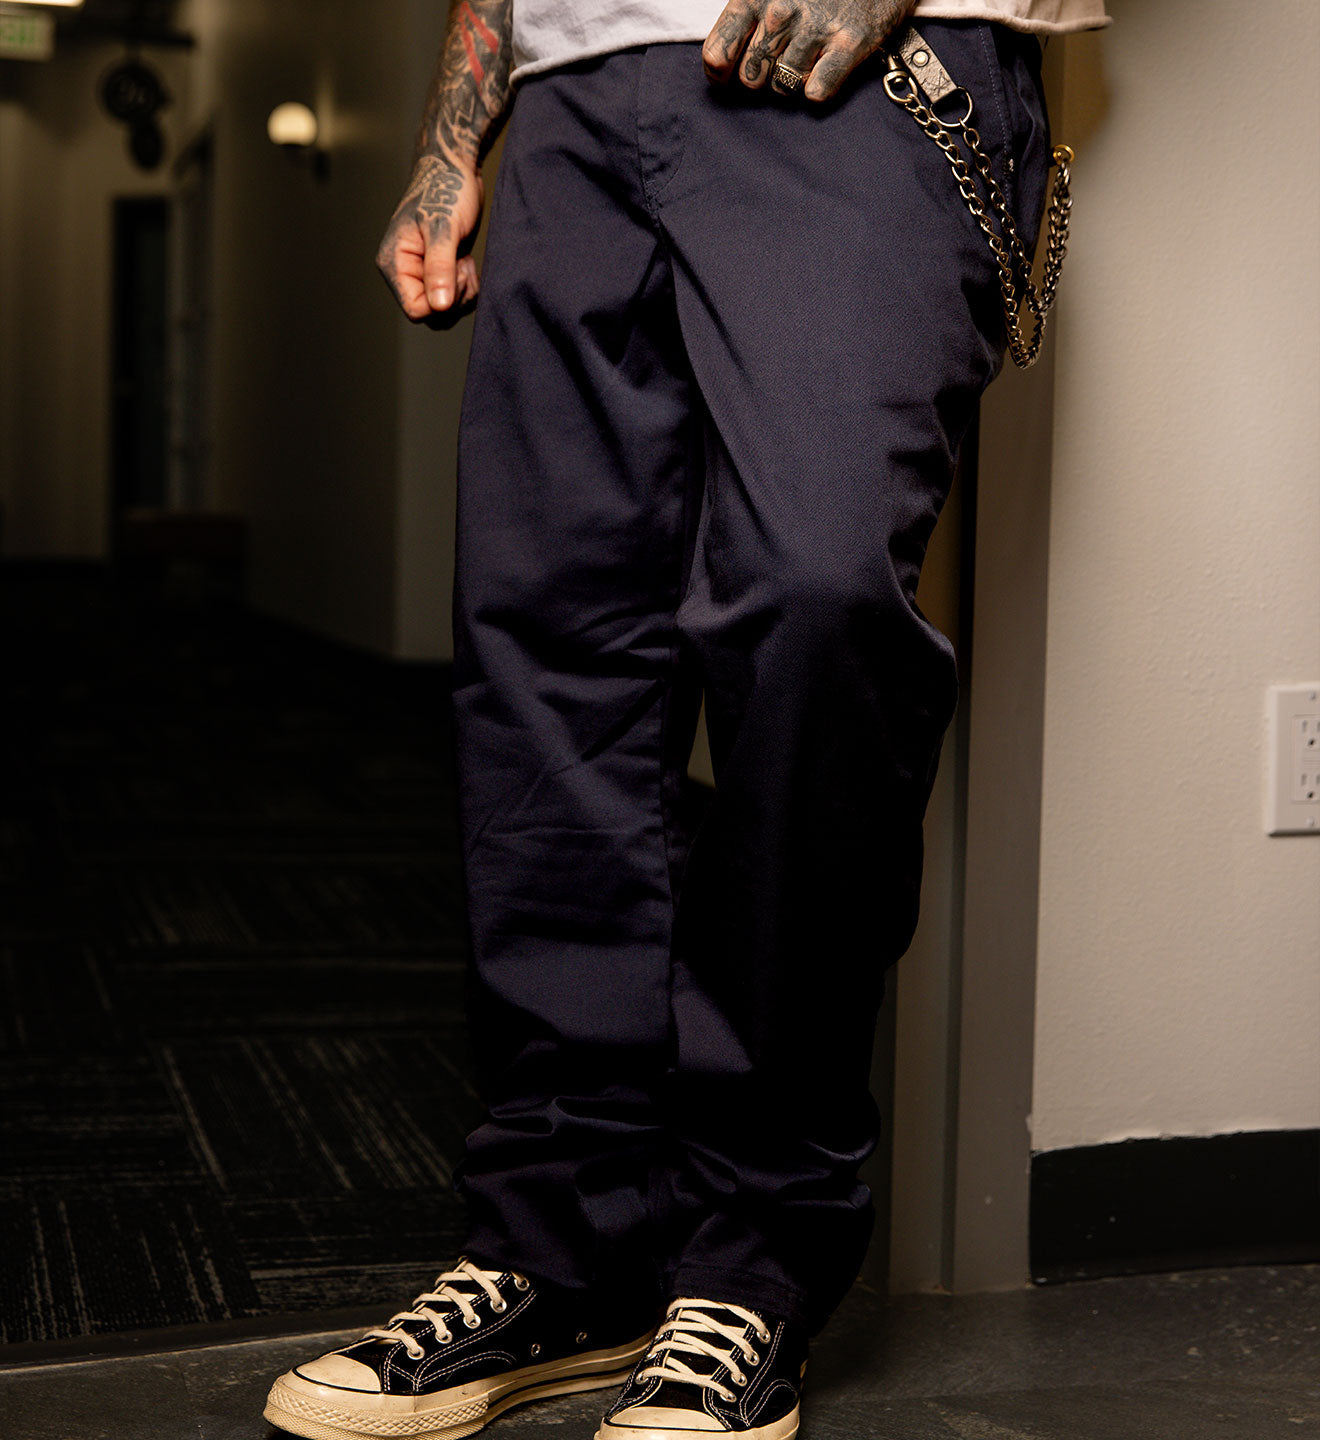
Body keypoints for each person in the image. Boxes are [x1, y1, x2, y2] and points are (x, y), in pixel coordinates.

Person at [264, 2, 1108, 1437]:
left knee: (814, 605)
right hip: (576, 93)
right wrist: (454, 133)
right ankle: (562, 1242)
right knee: (552, 645)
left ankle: (751, 1251)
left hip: (863, 68)